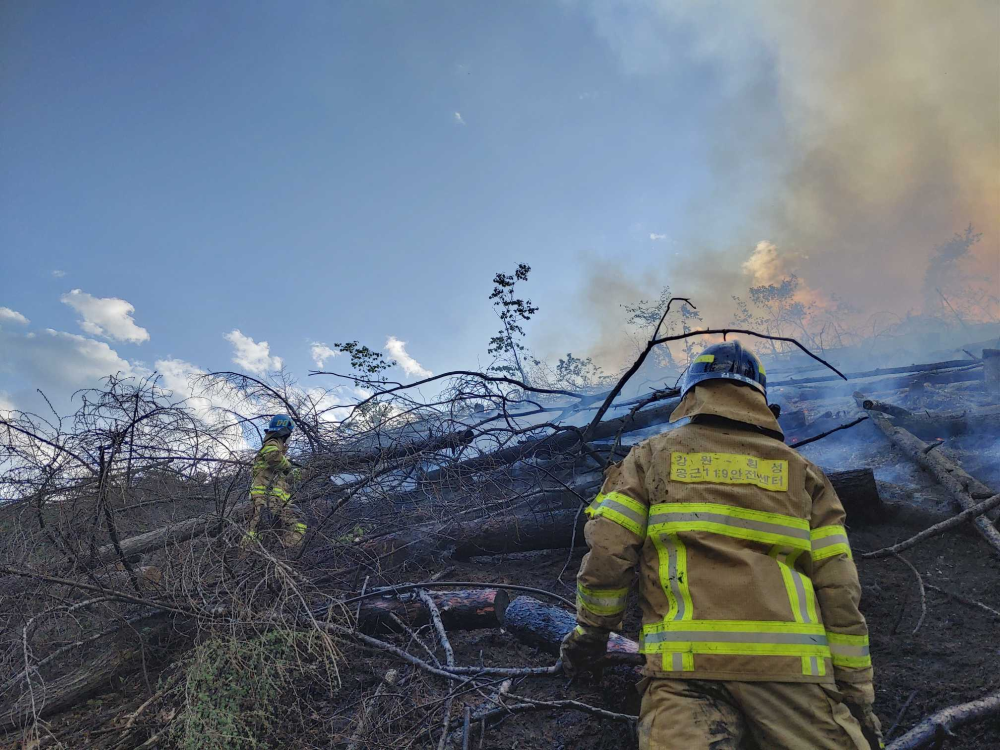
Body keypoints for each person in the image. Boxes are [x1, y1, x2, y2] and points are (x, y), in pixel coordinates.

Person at [560, 341, 882, 749]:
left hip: (685, 673)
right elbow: (840, 590)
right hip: (794, 677)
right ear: (759, 400)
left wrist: (591, 632)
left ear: (692, 395)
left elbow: (608, 550)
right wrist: (856, 694)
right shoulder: (803, 474)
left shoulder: (650, 457)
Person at [243, 414, 307, 550]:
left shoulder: (277, 446)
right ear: (285, 431)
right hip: (266, 500)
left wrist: (299, 473)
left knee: (263, 533)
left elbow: (279, 477)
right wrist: (288, 466)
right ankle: (278, 554)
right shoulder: (273, 442)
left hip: (274, 501)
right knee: (258, 533)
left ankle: (269, 555)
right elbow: (273, 457)